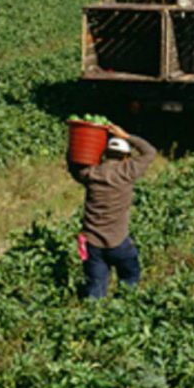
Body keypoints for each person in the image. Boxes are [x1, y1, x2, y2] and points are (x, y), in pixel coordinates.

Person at [67, 123, 157, 299]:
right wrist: (126, 135)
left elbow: (73, 166)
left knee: (95, 288)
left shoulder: (92, 174)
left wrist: (74, 145)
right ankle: (120, 309)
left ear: (105, 154)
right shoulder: (127, 171)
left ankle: (93, 318)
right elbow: (149, 152)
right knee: (131, 276)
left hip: (92, 244)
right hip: (118, 242)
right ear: (126, 157)